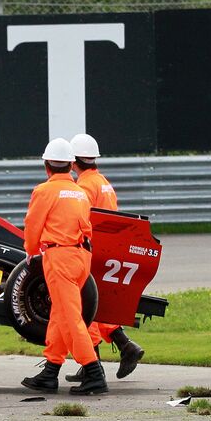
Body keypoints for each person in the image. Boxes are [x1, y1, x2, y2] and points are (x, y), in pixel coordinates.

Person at [20, 138, 105, 395]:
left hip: (60, 258)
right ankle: (50, 372)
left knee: (70, 318)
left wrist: (31, 251)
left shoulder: (44, 191)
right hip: (82, 258)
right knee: (59, 314)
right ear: (70, 165)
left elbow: (33, 225)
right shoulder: (80, 191)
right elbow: (87, 228)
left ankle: (93, 371)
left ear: (47, 166)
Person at [68, 132, 144, 380]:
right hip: (108, 249)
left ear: (73, 161)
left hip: (91, 251)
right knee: (98, 307)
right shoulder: (103, 182)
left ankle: (95, 365)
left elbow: (79, 220)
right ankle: (124, 347)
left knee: (86, 308)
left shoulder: (84, 186)